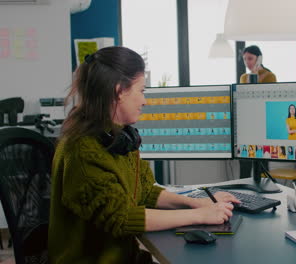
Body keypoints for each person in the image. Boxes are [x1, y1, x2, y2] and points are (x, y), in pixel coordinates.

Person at [48, 47, 240, 264]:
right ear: (119, 91)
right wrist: (199, 216)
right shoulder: (83, 149)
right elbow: (122, 218)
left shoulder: (118, 137)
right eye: (142, 90)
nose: (145, 101)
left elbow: (146, 191)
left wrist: (198, 203)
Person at [239, 45, 276, 179]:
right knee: (244, 165)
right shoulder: (244, 77)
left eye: (250, 58)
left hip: (262, 126)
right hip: (247, 126)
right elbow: (245, 99)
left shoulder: (270, 76)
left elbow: (265, 100)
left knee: (261, 166)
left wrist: (256, 75)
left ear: (259, 59)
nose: (247, 62)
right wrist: (252, 75)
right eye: (245, 59)